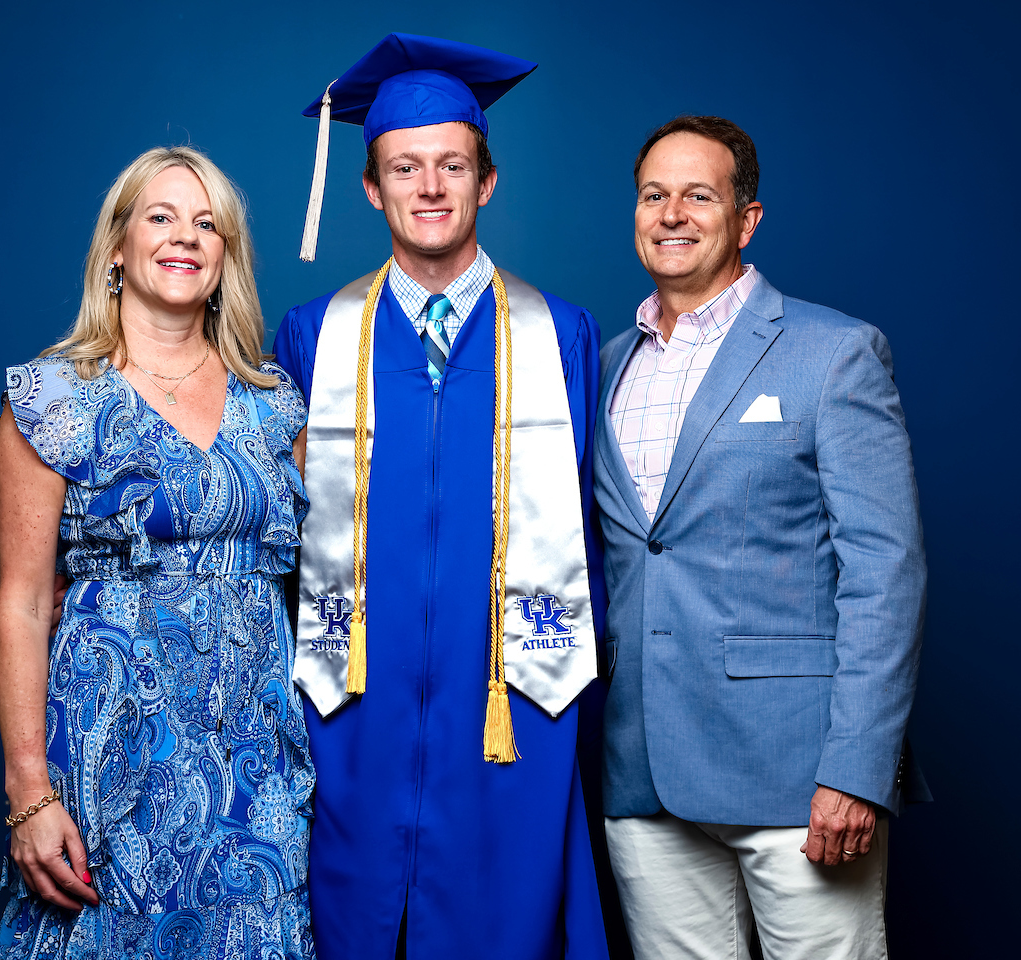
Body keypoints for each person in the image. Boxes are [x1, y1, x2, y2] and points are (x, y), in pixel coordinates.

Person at [273, 33, 609, 960]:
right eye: (404, 168)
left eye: (452, 166)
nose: (430, 187)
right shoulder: (313, 336)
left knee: (509, 919)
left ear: (486, 182)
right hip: (352, 701)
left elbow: (595, 533)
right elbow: (271, 526)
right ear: (371, 188)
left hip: (513, 700)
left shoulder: (559, 334)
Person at [594, 115, 927, 960]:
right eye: (653, 195)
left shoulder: (834, 353)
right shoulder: (602, 366)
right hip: (643, 771)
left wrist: (857, 769)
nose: (672, 214)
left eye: (698, 196)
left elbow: (885, 573)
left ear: (746, 220)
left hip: (798, 773)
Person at [0, 146, 315, 959]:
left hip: (255, 751)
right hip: (113, 743)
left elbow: (323, 580)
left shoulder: (274, 402)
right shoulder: (53, 399)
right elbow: (23, 603)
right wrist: (29, 788)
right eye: (161, 217)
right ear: (116, 248)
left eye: (207, 224)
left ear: (225, 256)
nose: (185, 237)